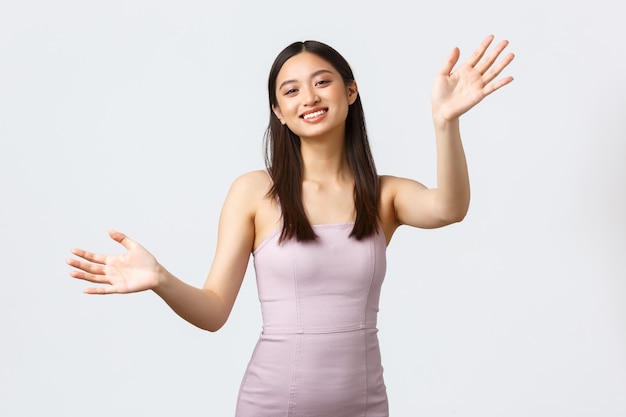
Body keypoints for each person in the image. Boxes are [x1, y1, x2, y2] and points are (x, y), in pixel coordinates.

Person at [68, 35, 514, 416]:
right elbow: (213, 311)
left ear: (351, 91)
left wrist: (445, 122)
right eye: (291, 91)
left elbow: (450, 208)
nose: (310, 98)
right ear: (279, 112)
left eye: (322, 82)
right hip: (272, 405)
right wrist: (160, 280)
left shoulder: (384, 195)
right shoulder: (254, 192)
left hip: (365, 406)